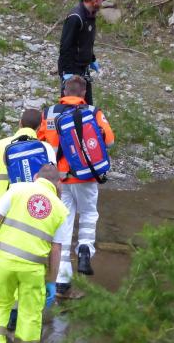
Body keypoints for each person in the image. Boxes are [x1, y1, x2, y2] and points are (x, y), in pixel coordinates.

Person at [0, 164, 69, 343]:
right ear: (58, 183)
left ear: (36, 176)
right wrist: (52, 281)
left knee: (0, 305)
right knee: (30, 313)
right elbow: (56, 249)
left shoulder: (17, 189)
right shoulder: (61, 209)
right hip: (33, 269)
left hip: (5, 262)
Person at [38, 75, 115, 297]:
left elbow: (41, 142)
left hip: (59, 180)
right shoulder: (93, 112)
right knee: (89, 214)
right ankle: (85, 248)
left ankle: (62, 280)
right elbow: (109, 141)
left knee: (63, 224)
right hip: (86, 176)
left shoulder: (49, 113)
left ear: (63, 91)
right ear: (83, 93)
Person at [0, 109, 57, 220]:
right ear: (40, 126)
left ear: (20, 123)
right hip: (32, 209)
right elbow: (53, 182)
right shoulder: (45, 148)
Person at [58, 0, 106, 106]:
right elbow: (65, 47)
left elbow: (86, 42)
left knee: (87, 107)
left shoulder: (91, 15)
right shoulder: (76, 17)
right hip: (72, 70)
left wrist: (91, 59)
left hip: (83, 69)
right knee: (70, 108)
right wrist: (66, 74)